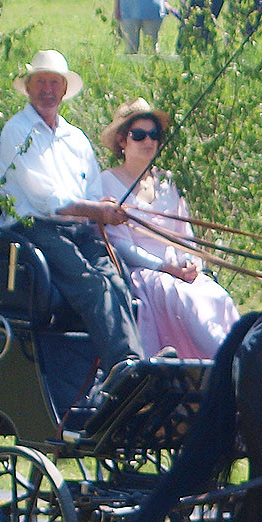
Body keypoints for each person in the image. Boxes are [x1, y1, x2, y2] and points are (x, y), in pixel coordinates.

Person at [0, 50, 146, 394]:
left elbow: (90, 189)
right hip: (32, 230)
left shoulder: (75, 139)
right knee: (92, 286)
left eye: (53, 84)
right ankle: (123, 371)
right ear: (29, 89)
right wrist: (96, 210)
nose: (47, 90)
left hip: (78, 228)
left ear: (63, 91)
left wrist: (102, 209)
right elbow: (44, 200)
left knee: (118, 281)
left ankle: (134, 364)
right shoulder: (16, 131)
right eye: (40, 83)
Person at [97, 99, 242, 360]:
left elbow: (184, 233)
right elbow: (120, 244)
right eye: (139, 135)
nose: (148, 141)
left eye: (154, 135)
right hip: (144, 272)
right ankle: (224, 362)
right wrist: (164, 267)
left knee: (216, 296)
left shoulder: (166, 181)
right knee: (183, 298)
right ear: (122, 141)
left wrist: (192, 263)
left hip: (178, 269)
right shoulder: (108, 182)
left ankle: (239, 357)